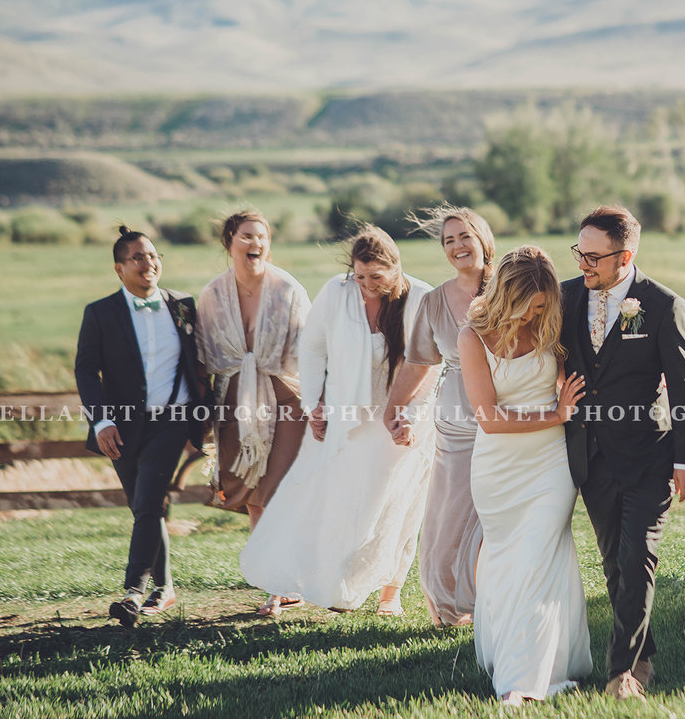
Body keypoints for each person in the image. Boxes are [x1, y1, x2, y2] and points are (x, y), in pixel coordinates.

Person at [240, 226, 436, 614]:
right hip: (346, 420)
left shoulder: (421, 297)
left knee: (394, 508)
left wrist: (409, 417)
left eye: (376, 278)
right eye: (359, 277)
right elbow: (312, 349)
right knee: (330, 503)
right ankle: (324, 583)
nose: (366, 286)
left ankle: (389, 594)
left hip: (400, 422)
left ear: (395, 269)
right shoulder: (336, 291)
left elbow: (431, 366)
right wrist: (314, 403)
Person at [559, 205, 685, 701]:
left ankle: (620, 673)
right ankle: (643, 661)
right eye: (580, 252)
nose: (584, 264)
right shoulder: (567, 297)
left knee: (637, 555)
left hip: (649, 454)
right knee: (616, 566)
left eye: (594, 256)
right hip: (590, 455)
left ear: (627, 255)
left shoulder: (663, 305)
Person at [459, 246, 593, 705]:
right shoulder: (472, 337)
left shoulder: (551, 322)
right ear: (506, 296)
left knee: (540, 556)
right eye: (532, 306)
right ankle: (518, 653)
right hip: (498, 470)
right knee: (507, 562)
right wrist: (557, 414)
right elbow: (490, 418)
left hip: (550, 466)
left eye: (544, 305)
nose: (539, 313)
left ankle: (524, 680)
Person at [74, 226, 207, 627]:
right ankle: (164, 588)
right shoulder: (99, 313)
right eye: (137, 257)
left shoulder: (184, 305)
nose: (148, 263)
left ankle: (133, 592)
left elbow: (200, 362)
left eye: (153, 255)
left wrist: (203, 418)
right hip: (122, 427)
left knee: (148, 501)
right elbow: (85, 369)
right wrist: (102, 421)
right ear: (119, 269)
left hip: (173, 420)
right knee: (145, 507)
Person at [383, 205, 495, 626]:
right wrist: (393, 408)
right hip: (456, 422)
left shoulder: (510, 286)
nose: (457, 246)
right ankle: (451, 603)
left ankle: (495, 596)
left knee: (497, 512)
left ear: (483, 240)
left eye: (464, 236)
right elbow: (417, 364)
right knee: (449, 513)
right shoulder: (433, 301)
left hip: (509, 417)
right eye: (449, 241)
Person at [195, 211, 311, 617]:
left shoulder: (289, 290)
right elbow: (205, 357)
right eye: (246, 236)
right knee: (254, 498)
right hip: (234, 404)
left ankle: (278, 586)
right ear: (230, 242)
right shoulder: (211, 295)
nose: (255, 244)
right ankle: (277, 581)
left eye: (261, 237)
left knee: (278, 494)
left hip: (287, 402)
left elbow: (310, 353)